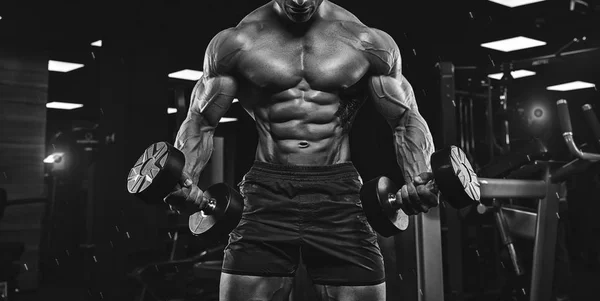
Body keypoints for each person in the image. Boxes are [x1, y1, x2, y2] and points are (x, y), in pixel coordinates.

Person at [165, 0, 439, 300]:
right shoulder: (236, 42)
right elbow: (201, 120)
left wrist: (417, 177)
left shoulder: (366, 41)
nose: (299, 2)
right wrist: (185, 177)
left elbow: (405, 117)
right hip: (266, 193)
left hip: (339, 193)